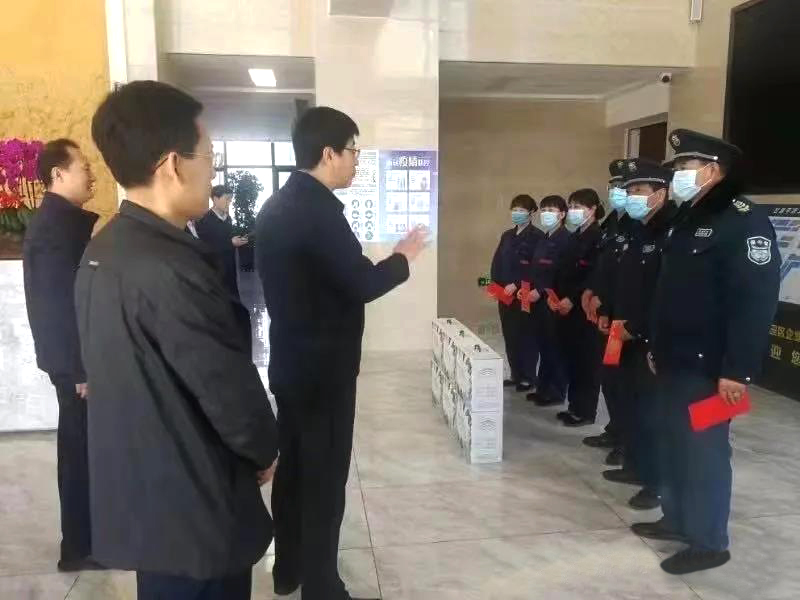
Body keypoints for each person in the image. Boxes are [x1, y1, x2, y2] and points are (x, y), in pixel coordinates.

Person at [77, 80, 279, 600]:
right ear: (172, 165)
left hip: (151, 499)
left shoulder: (105, 249)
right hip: (196, 505)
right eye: (208, 157)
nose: (212, 171)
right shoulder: (170, 267)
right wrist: (263, 448)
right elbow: (224, 388)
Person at [255, 106, 427, 600]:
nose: (356, 161)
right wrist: (402, 258)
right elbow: (361, 283)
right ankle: (322, 586)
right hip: (323, 371)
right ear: (328, 153)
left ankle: (288, 569)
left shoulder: (280, 204)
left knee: (294, 471)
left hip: (292, 363)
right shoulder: (317, 212)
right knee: (324, 479)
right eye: (353, 151)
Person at [631, 129, 780, 575]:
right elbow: (669, 292)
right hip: (673, 360)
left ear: (713, 170)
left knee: (704, 454)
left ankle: (709, 541)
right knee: (673, 444)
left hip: (710, 369)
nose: (676, 173)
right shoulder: (687, 216)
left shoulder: (743, 220)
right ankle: (677, 519)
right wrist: (656, 344)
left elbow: (755, 301)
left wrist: (738, 370)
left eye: (684, 166)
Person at [22, 139, 100, 573]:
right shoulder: (54, 228)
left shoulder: (62, 222)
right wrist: (78, 369)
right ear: (58, 174)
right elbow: (55, 306)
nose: (92, 174)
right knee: (79, 453)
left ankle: (89, 540)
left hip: (76, 361)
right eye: (83, 166)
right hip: (74, 366)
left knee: (86, 450)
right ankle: (79, 548)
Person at [599, 159, 677, 511]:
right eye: (628, 190)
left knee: (654, 413)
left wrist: (638, 327)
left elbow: (663, 293)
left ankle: (657, 482)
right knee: (630, 403)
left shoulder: (670, 231)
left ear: (660, 194)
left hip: (647, 339)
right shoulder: (636, 230)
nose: (631, 196)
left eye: (639, 190)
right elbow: (623, 282)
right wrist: (609, 312)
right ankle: (636, 465)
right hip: (623, 332)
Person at [583, 161, 635, 466]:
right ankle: (616, 430)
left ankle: (630, 442)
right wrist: (593, 294)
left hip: (625, 318)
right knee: (611, 378)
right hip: (608, 316)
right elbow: (603, 267)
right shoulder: (613, 224)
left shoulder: (640, 225)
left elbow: (631, 278)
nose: (617, 191)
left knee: (627, 385)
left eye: (624, 186)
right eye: (613, 186)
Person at [554, 189, 604, 426]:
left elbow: (592, 276)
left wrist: (572, 299)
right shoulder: (574, 237)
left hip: (583, 308)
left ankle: (585, 411)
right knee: (572, 358)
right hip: (566, 308)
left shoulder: (598, 237)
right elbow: (563, 271)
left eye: (579, 207)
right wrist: (558, 297)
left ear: (593, 209)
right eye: (571, 206)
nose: (574, 211)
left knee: (587, 361)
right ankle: (574, 405)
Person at [520, 195, 571, 408]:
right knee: (543, 344)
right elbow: (536, 269)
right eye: (544, 210)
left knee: (554, 346)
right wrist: (528, 289)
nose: (546, 214)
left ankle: (556, 391)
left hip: (552, 299)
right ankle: (543, 388)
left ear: (562, 214)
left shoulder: (565, 239)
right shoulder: (544, 238)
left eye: (551, 210)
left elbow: (558, 272)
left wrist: (540, 290)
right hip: (537, 301)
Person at [490, 194, 542, 391]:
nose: (517, 213)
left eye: (521, 210)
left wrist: (518, 284)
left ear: (531, 213)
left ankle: (528, 376)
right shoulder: (507, 235)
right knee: (510, 333)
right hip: (504, 293)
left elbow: (536, 267)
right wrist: (496, 285)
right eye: (514, 209)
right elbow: (497, 262)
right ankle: (515, 373)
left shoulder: (537, 236)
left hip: (524, 292)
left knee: (526, 334)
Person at [195, 184, 248, 298]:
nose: (229, 203)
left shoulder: (228, 218)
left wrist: (237, 241)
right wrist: (231, 243)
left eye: (230, 200)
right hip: (214, 271)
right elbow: (206, 247)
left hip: (230, 267)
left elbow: (227, 239)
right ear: (215, 199)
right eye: (227, 199)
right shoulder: (204, 220)